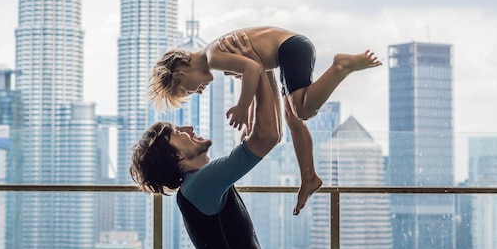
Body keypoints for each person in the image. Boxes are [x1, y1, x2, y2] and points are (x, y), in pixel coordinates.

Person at [148, 26, 382, 214]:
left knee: (302, 110)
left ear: (180, 72)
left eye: (186, 90)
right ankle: (309, 177)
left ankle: (340, 67)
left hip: (289, 49)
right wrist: (249, 118)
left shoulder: (214, 56)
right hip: (288, 50)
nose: (197, 92)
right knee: (292, 117)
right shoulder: (215, 55)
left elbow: (252, 68)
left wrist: (241, 107)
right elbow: (253, 71)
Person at [131, 35, 282, 249]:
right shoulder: (200, 185)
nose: (188, 128)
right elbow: (268, 137)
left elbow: (273, 133)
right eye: (178, 132)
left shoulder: (197, 186)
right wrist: (259, 64)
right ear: (175, 156)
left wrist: (267, 68)